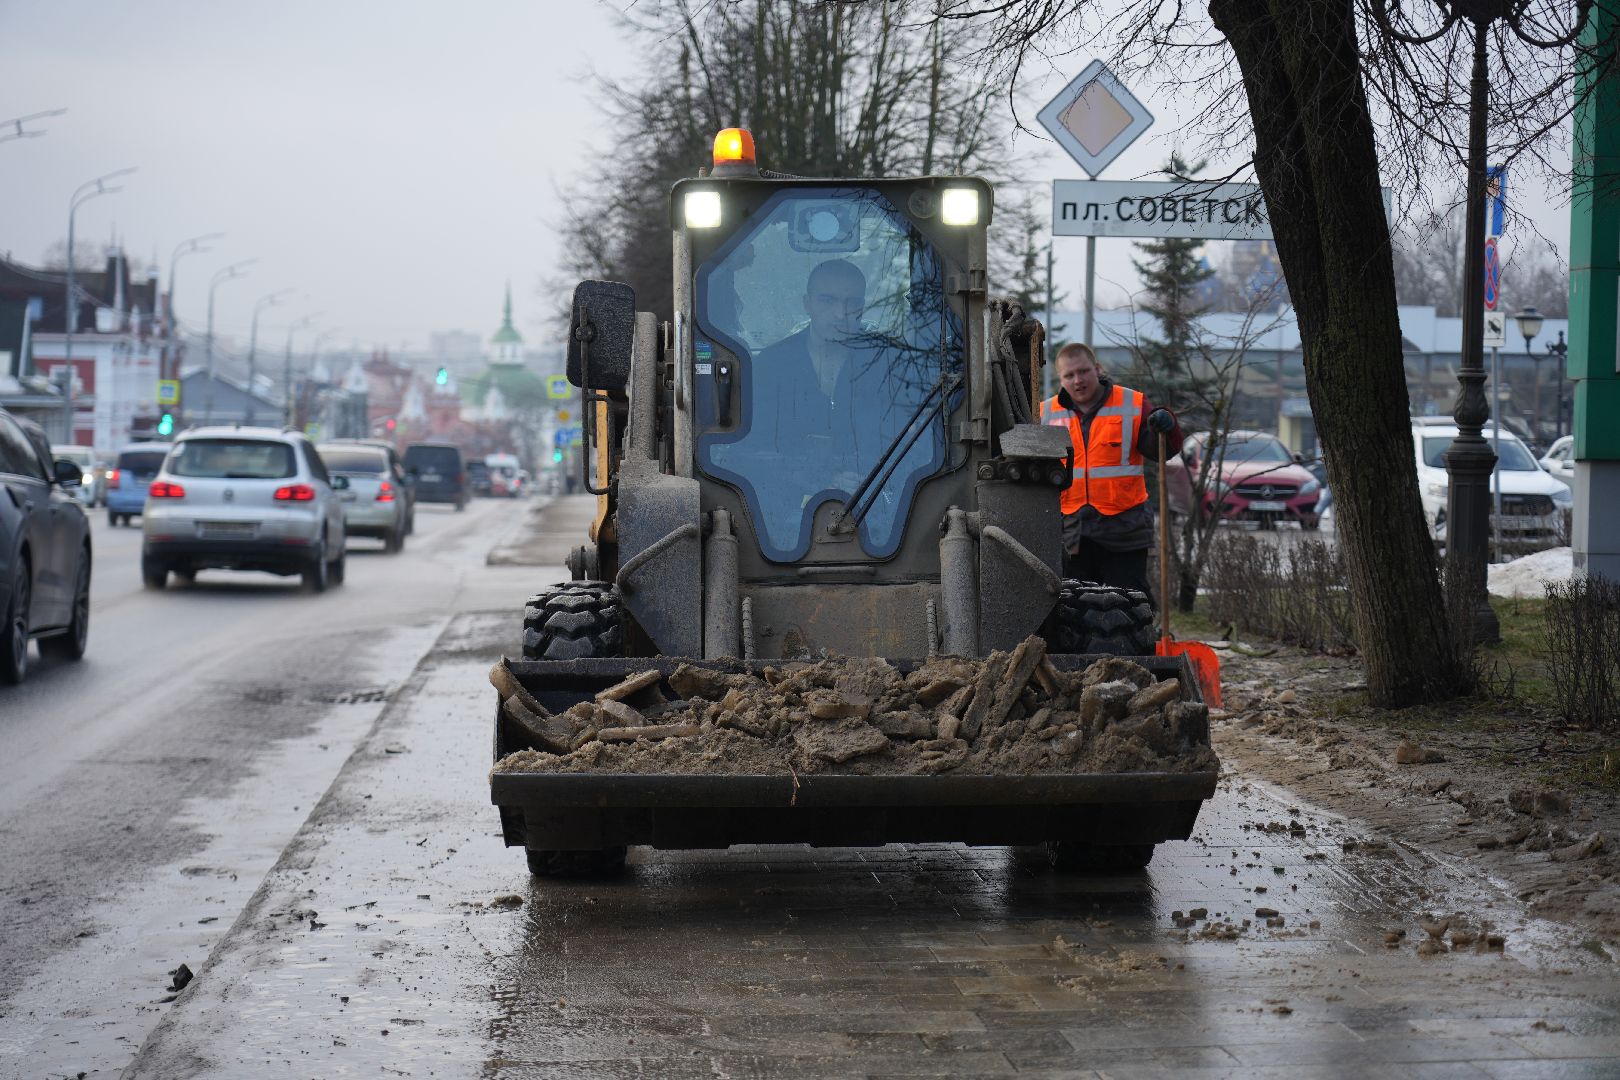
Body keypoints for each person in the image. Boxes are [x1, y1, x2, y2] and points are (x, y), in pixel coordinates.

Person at [1040, 342, 1183, 600]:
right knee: (1072, 613)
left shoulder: (1133, 404)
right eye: (1069, 375)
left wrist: (1167, 426)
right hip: (1070, 535)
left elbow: (1161, 450)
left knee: (1128, 608)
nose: (1077, 380)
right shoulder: (1045, 413)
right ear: (1059, 378)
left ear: (1097, 369)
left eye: (1083, 372)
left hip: (1124, 532)